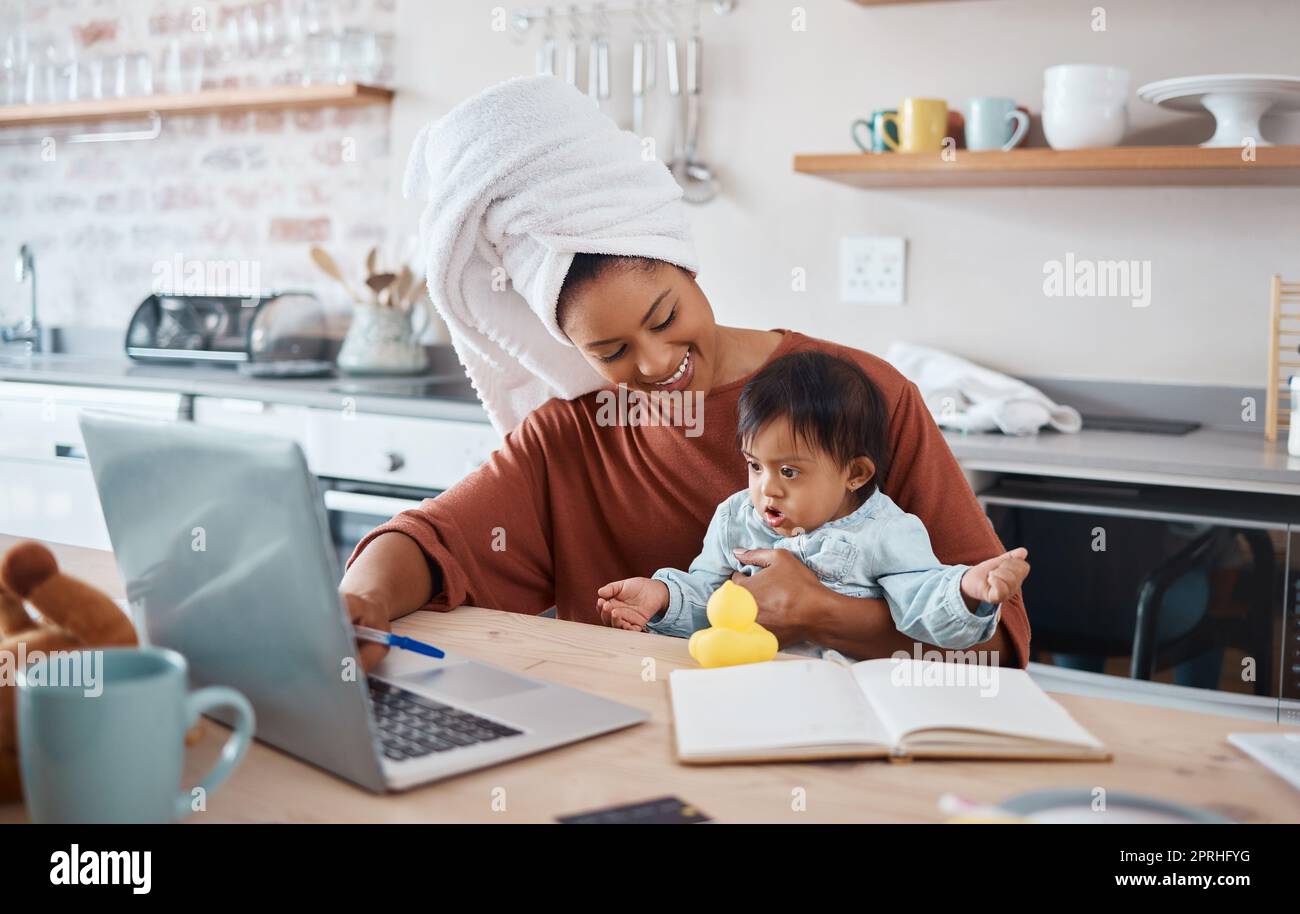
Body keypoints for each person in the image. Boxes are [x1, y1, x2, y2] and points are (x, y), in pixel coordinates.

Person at [596, 350, 1030, 654]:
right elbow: (708, 601)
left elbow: (922, 602)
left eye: (789, 472)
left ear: (854, 473)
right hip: (754, 689)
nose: (767, 488)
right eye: (754, 465)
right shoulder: (735, 519)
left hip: (843, 699)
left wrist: (967, 589)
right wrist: (661, 598)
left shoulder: (886, 532)